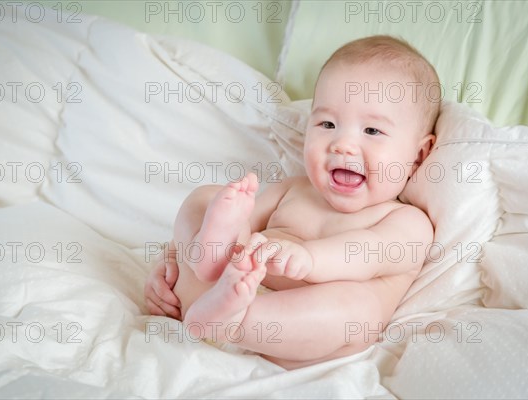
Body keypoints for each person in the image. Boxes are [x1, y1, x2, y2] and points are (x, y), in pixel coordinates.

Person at [145, 35, 441, 369]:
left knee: (356, 311)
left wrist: (309, 259)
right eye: (327, 124)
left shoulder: (407, 221)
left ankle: (232, 322)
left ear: (418, 155)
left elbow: (366, 252)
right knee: (207, 198)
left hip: (297, 332)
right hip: (221, 290)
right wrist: (171, 260)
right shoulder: (293, 190)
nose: (342, 144)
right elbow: (244, 222)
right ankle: (205, 257)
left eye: (372, 131)